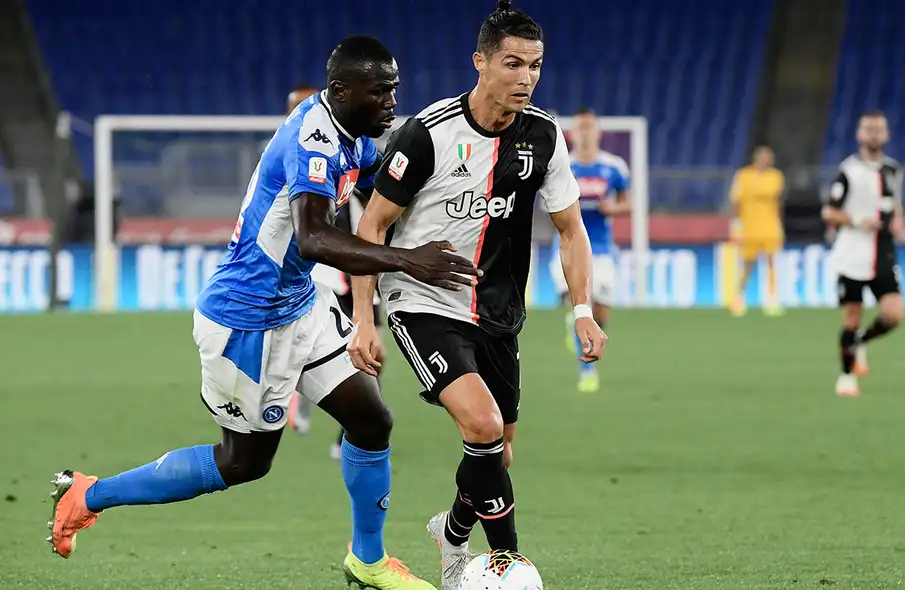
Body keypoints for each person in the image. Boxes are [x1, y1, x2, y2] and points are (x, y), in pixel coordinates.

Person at [46, 35, 480, 590]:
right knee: (244, 463)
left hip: (301, 306)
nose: (393, 103)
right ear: (343, 91)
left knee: (372, 421)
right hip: (247, 323)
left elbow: (380, 181)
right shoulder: (315, 139)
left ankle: (367, 561)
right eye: (382, 92)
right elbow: (314, 238)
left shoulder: (352, 133)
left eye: (395, 90)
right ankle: (89, 494)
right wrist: (407, 259)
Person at [348, 3, 607, 589]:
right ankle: (510, 567)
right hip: (422, 304)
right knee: (484, 426)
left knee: (497, 454)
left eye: (535, 66)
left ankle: (454, 533)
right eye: (512, 64)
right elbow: (372, 227)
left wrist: (582, 312)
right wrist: (364, 317)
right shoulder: (427, 134)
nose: (526, 77)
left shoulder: (542, 136)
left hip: (498, 314)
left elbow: (571, 229)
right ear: (481, 63)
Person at [284, 85, 389, 462]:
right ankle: (308, 401)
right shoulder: (295, 155)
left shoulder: (347, 150)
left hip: (355, 266)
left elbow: (372, 199)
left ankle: (343, 427)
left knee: (373, 350)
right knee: (357, 348)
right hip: (325, 272)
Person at [821, 110, 905, 397]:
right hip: (852, 255)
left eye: (878, 129)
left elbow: (894, 203)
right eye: (868, 129)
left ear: (886, 135)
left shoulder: (893, 169)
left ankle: (861, 342)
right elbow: (829, 212)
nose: (873, 134)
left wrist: (898, 220)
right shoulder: (848, 172)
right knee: (852, 318)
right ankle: (846, 377)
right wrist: (857, 221)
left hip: (883, 253)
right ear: (859, 135)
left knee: (894, 314)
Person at [548, 107, 629, 392]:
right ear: (572, 133)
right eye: (580, 127)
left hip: (603, 248)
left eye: (590, 127)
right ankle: (587, 370)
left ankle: (578, 322)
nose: (585, 132)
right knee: (582, 305)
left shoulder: (614, 167)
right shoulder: (562, 165)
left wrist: (613, 208)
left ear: (598, 132)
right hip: (567, 244)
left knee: (601, 312)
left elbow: (628, 202)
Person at [728, 144, 785, 317]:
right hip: (749, 227)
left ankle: (772, 300)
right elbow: (736, 202)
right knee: (747, 264)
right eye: (762, 156)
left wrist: (780, 224)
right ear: (755, 158)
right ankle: (738, 298)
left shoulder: (776, 176)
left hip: (770, 227)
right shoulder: (744, 175)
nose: (765, 160)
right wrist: (736, 224)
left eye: (768, 157)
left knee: (771, 263)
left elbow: (778, 202)